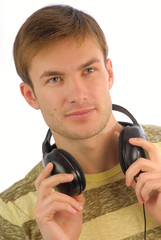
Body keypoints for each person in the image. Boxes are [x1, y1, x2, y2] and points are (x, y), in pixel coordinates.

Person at [0, 4, 161, 240]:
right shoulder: (11, 214)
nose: (78, 95)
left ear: (110, 74)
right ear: (30, 96)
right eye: (55, 79)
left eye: (88, 70)